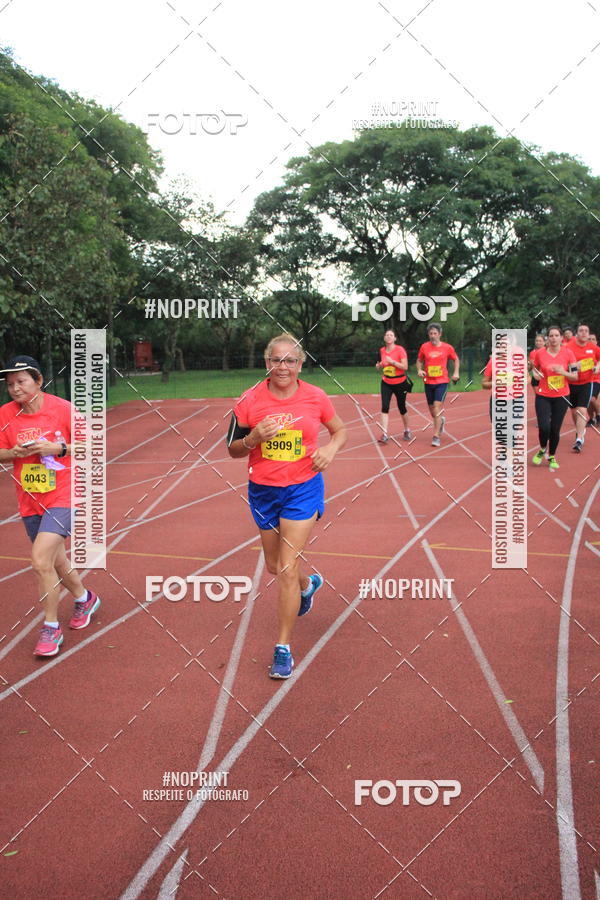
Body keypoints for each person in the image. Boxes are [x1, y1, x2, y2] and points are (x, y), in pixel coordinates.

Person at [227, 334, 346, 679]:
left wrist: (330, 450)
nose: (283, 367)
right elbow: (232, 449)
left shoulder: (315, 397)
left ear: (300, 364)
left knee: (287, 567)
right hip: (263, 491)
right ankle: (308, 586)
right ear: (267, 364)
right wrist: (253, 439)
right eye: (277, 360)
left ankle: (283, 649)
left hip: (303, 489)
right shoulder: (249, 401)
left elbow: (340, 431)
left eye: (290, 360)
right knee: (274, 567)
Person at [0, 356, 101, 657]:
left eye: (21, 381)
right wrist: (11, 452)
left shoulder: (62, 408)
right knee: (55, 561)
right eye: (10, 384)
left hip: (64, 495)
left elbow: (92, 444)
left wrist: (57, 448)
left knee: (40, 560)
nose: (15, 389)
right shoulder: (5, 414)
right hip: (30, 499)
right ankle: (85, 598)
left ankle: (51, 627)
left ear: (39, 381)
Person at [530, 327, 577, 469]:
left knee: (555, 429)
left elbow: (575, 376)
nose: (554, 338)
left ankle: (552, 456)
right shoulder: (540, 353)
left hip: (561, 396)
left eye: (557, 335)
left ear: (561, 338)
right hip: (543, 395)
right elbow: (534, 368)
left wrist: (563, 372)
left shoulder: (569, 353)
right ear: (547, 338)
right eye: (551, 336)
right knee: (544, 427)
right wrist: (535, 374)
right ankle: (542, 448)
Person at [416, 323, 460, 447]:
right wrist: (419, 370)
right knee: (432, 410)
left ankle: (436, 436)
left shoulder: (447, 347)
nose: (433, 336)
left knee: (436, 406)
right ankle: (441, 421)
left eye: (435, 333)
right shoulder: (424, 347)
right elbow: (419, 360)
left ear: (440, 334)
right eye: (431, 333)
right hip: (428, 381)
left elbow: (455, 359)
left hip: (442, 381)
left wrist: (456, 372)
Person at [564, 323, 600, 452]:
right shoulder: (568, 347)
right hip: (571, 383)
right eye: (581, 330)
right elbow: (563, 365)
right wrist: (574, 367)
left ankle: (579, 439)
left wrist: (597, 367)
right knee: (574, 412)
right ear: (576, 334)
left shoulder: (593, 347)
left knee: (582, 410)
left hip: (587, 382)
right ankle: (580, 429)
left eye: (586, 331)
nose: (584, 333)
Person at [375, 328, 412, 443]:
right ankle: (384, 433)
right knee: (384, 407)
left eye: (391, 335)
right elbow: (383, 364)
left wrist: (392, 362)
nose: (389, 337)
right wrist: (380, 366)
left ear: (395, 338)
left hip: (400, 382)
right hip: (386, 382)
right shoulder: (382, 350)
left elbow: (405, 367)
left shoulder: (400, 350)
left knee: (402, 407)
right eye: (387, 335)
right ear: (384, 338)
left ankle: (407, 429)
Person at [586, 333, 600, 428]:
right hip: (586, 379)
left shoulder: (598, 351)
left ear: (596, 341)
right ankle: (592, 418)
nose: (591, 341)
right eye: (589, 339)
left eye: (593, 339)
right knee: (588, 401)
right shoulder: (584, 352)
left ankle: (598, 415)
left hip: (596, 379)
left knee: (592, 399)